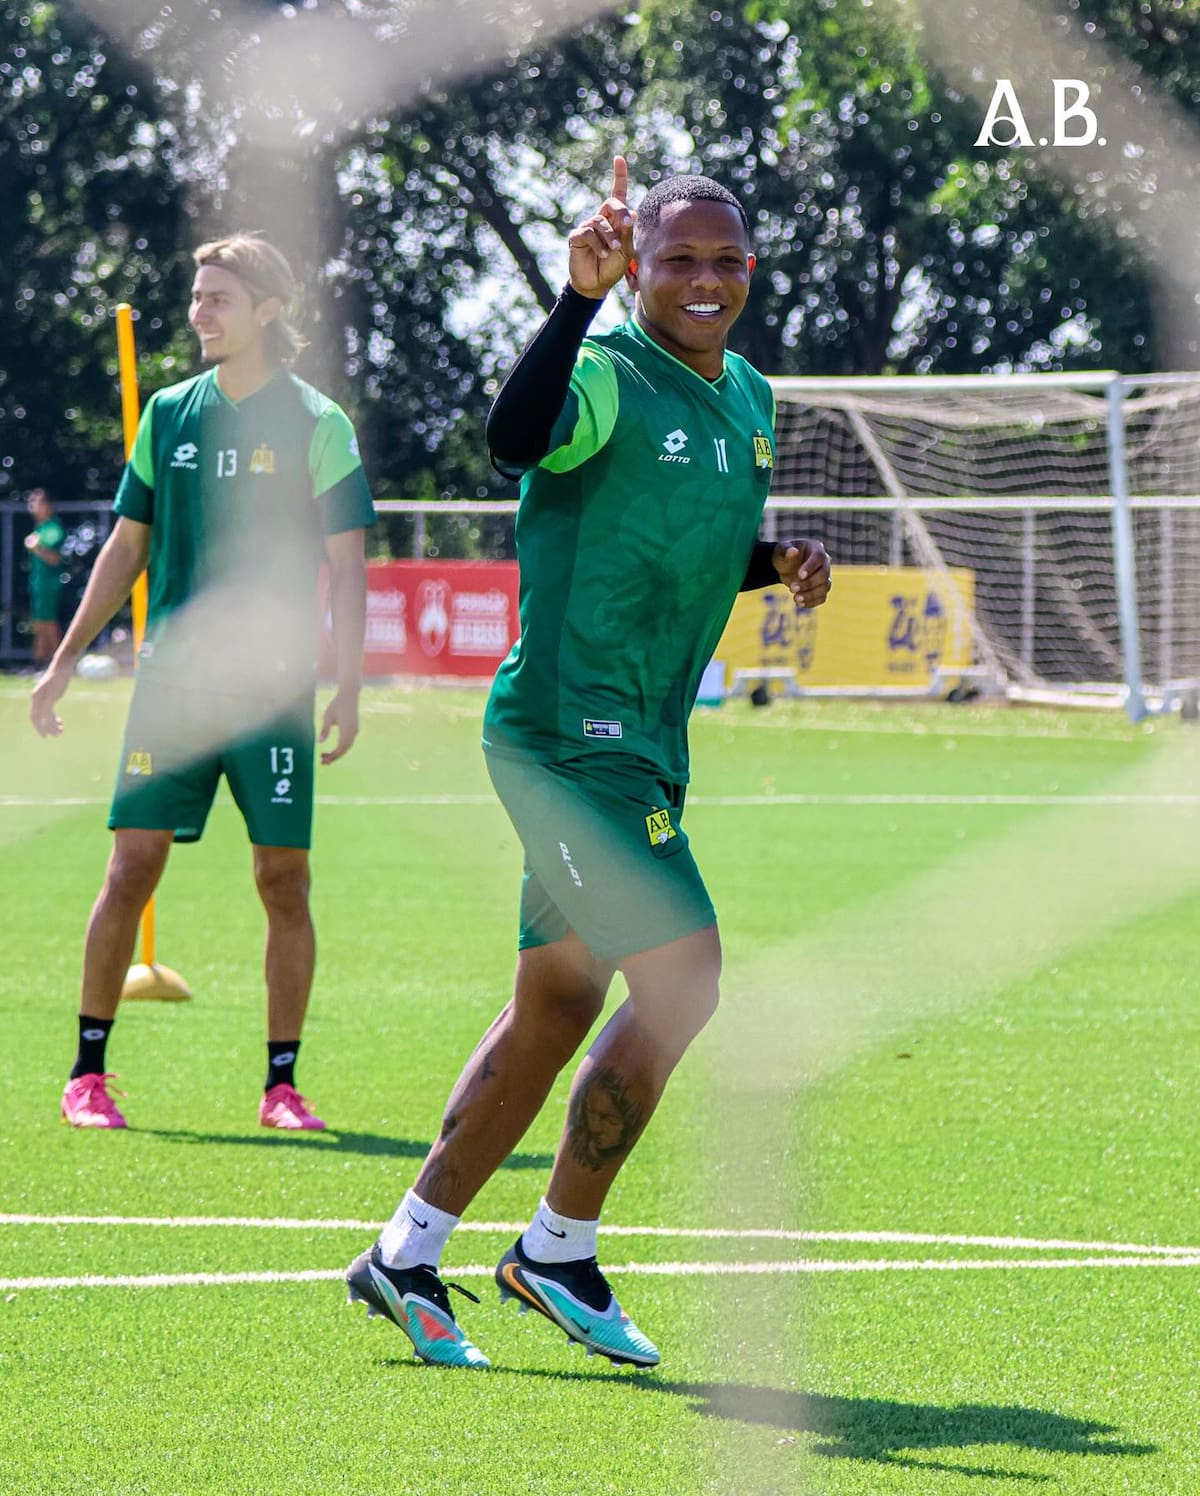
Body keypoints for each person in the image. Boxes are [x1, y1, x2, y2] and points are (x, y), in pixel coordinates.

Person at [345, 160, 831, 1369]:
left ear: (751, 271)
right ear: (640, 269)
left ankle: (406, 1252)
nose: (705, 280)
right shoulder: (608, 372)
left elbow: (690, 543)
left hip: (645, 747)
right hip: (569, 739)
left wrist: (780, 564)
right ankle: (556, 1244)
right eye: (678, 259)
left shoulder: (753, 399)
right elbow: (517, 440)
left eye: (725, 260)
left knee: (559, 1004)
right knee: (686, 971)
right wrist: (573, 301)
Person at [31, 232, 375, 1132]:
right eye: (195, 296)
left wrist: (346, 684)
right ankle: (87, 1074)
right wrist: (64, 662)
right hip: (174, 690)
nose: (198, 312)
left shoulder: (317, 422)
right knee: (131, 865)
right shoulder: (169, 415)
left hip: (273, 696)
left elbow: (347, 565)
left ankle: (282, 1087)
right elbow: (125, 548)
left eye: (217, 297)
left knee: (283, 881)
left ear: (267, 310)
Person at [25, 488, 65, 666]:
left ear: (48, 506)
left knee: (48, 623)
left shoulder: (52, 528)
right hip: (39, 584)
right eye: (31, 502)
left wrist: (36, 547)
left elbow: (55, 558)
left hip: (49, 584)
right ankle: (41, 661)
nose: (32, 506)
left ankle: (56, 663)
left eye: (37, 502)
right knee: (41, 623)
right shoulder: (40, 528)